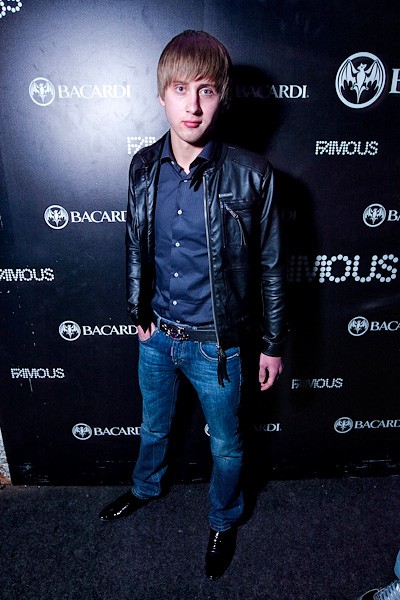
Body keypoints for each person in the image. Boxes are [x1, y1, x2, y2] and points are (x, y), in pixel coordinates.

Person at [99, 29, 286, 581]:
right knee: (153, 427)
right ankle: (145, 488)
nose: (193, 105)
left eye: (206, 89)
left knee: (226, 446)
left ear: (222, 96)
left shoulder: (252, 174)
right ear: (162, 94)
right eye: (181, 89)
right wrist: (138, 314)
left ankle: (223, 519)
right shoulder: (142, 167)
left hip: (217, 347)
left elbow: (272, 266)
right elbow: (135, 245)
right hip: (157, 337)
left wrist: (272, 344)